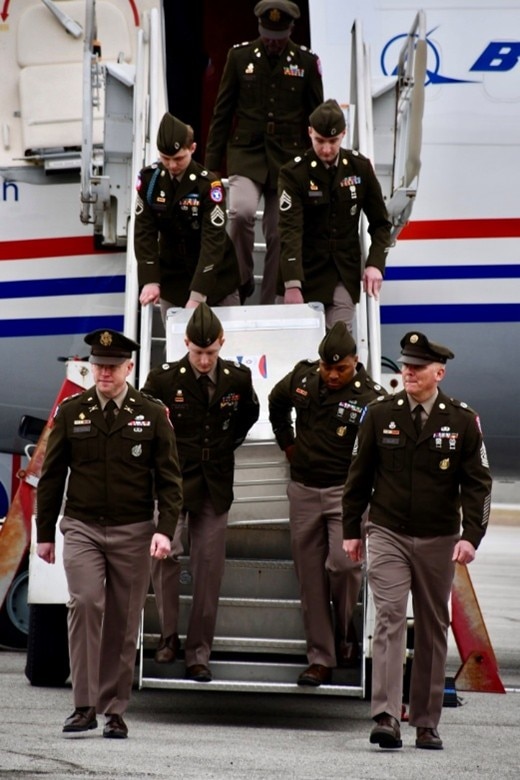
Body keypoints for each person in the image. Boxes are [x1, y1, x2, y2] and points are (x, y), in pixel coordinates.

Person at [342, 331, 492, 750]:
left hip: (439, 538)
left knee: (432, 625)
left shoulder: (462, 420)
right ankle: (387, 715)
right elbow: (359, 476)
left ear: (438, 373)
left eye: (417, 367)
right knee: (389, 616)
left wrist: (471, 537)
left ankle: (426, 721)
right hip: (388, 531)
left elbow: (478, 484)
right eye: (405, 365)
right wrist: (351, 530)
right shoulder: (379, 414)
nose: (407, 371)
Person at [35, 329, 183, 739]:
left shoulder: (152, 414)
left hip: (133, 530)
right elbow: (51, 477)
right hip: (82, 526)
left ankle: (115, 709)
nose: (103, 373)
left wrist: (165, 530)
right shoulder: (71, 412)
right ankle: (83, 706)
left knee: (123, 617)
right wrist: (44, 532)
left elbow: (170, 481)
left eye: (112, 366)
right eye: (98, 366)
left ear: (129, 368)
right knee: (84, 602)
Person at [142, 303, 260, 681]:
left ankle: (198, 652)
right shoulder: (162, 381)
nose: (205, 361)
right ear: (186, 342)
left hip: (214, 482)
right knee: (165, 556)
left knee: (209, 568)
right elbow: (147, 425)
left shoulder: (237, 380)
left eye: (211, 353)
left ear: (222, 344)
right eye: (198, 353)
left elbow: (247, 416)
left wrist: (223, 447)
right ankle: (168, 635)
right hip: (174, 480)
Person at [268, 321, 385, 686]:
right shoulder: (303, 378)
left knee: (343, 566)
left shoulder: (370, 398)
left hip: (344, 496)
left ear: (356, 362)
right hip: (303, 490)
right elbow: (276, 401)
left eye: (341, 369)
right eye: (327, 367)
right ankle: (320, 658)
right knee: (310, 579)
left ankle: (345, 630)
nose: (333, 375)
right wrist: (287, 442)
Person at [204, 0, 324, 305]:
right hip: (247, 153)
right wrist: (211, 168)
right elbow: (222, 114)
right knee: (241, 211)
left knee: (279, 232)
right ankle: (240, 280)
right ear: (259, 28)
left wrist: (317, 167)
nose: (272, 42)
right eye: (268, 35)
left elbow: (316, 118)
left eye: (279, 36)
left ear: (290, 31)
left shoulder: (306, 63)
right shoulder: (239, 56)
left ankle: (270, 299)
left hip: (287, 160)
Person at [277, 98, 392, 330]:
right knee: (300, 344)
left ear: (344, 134)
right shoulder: (294, 173)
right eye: (320, 141)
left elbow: (381, 224)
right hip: (304, 269)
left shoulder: (359, 168)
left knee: (339, 340)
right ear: (309, 133)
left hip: (342, 270)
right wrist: (292, 284)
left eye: (333, 141)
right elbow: (290, 231)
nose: (327, 149)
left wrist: (375, 264)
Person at [135, 112, 240, 325]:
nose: (172, 166)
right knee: (178, 350)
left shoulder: (209, 186)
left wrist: (198, 295)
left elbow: (213, 242)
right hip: (174, 279)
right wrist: (150, 280)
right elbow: (144, 232)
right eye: (165, 159)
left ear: (192, 149)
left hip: (215, 280)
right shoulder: (150, 181)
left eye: (178, 159)